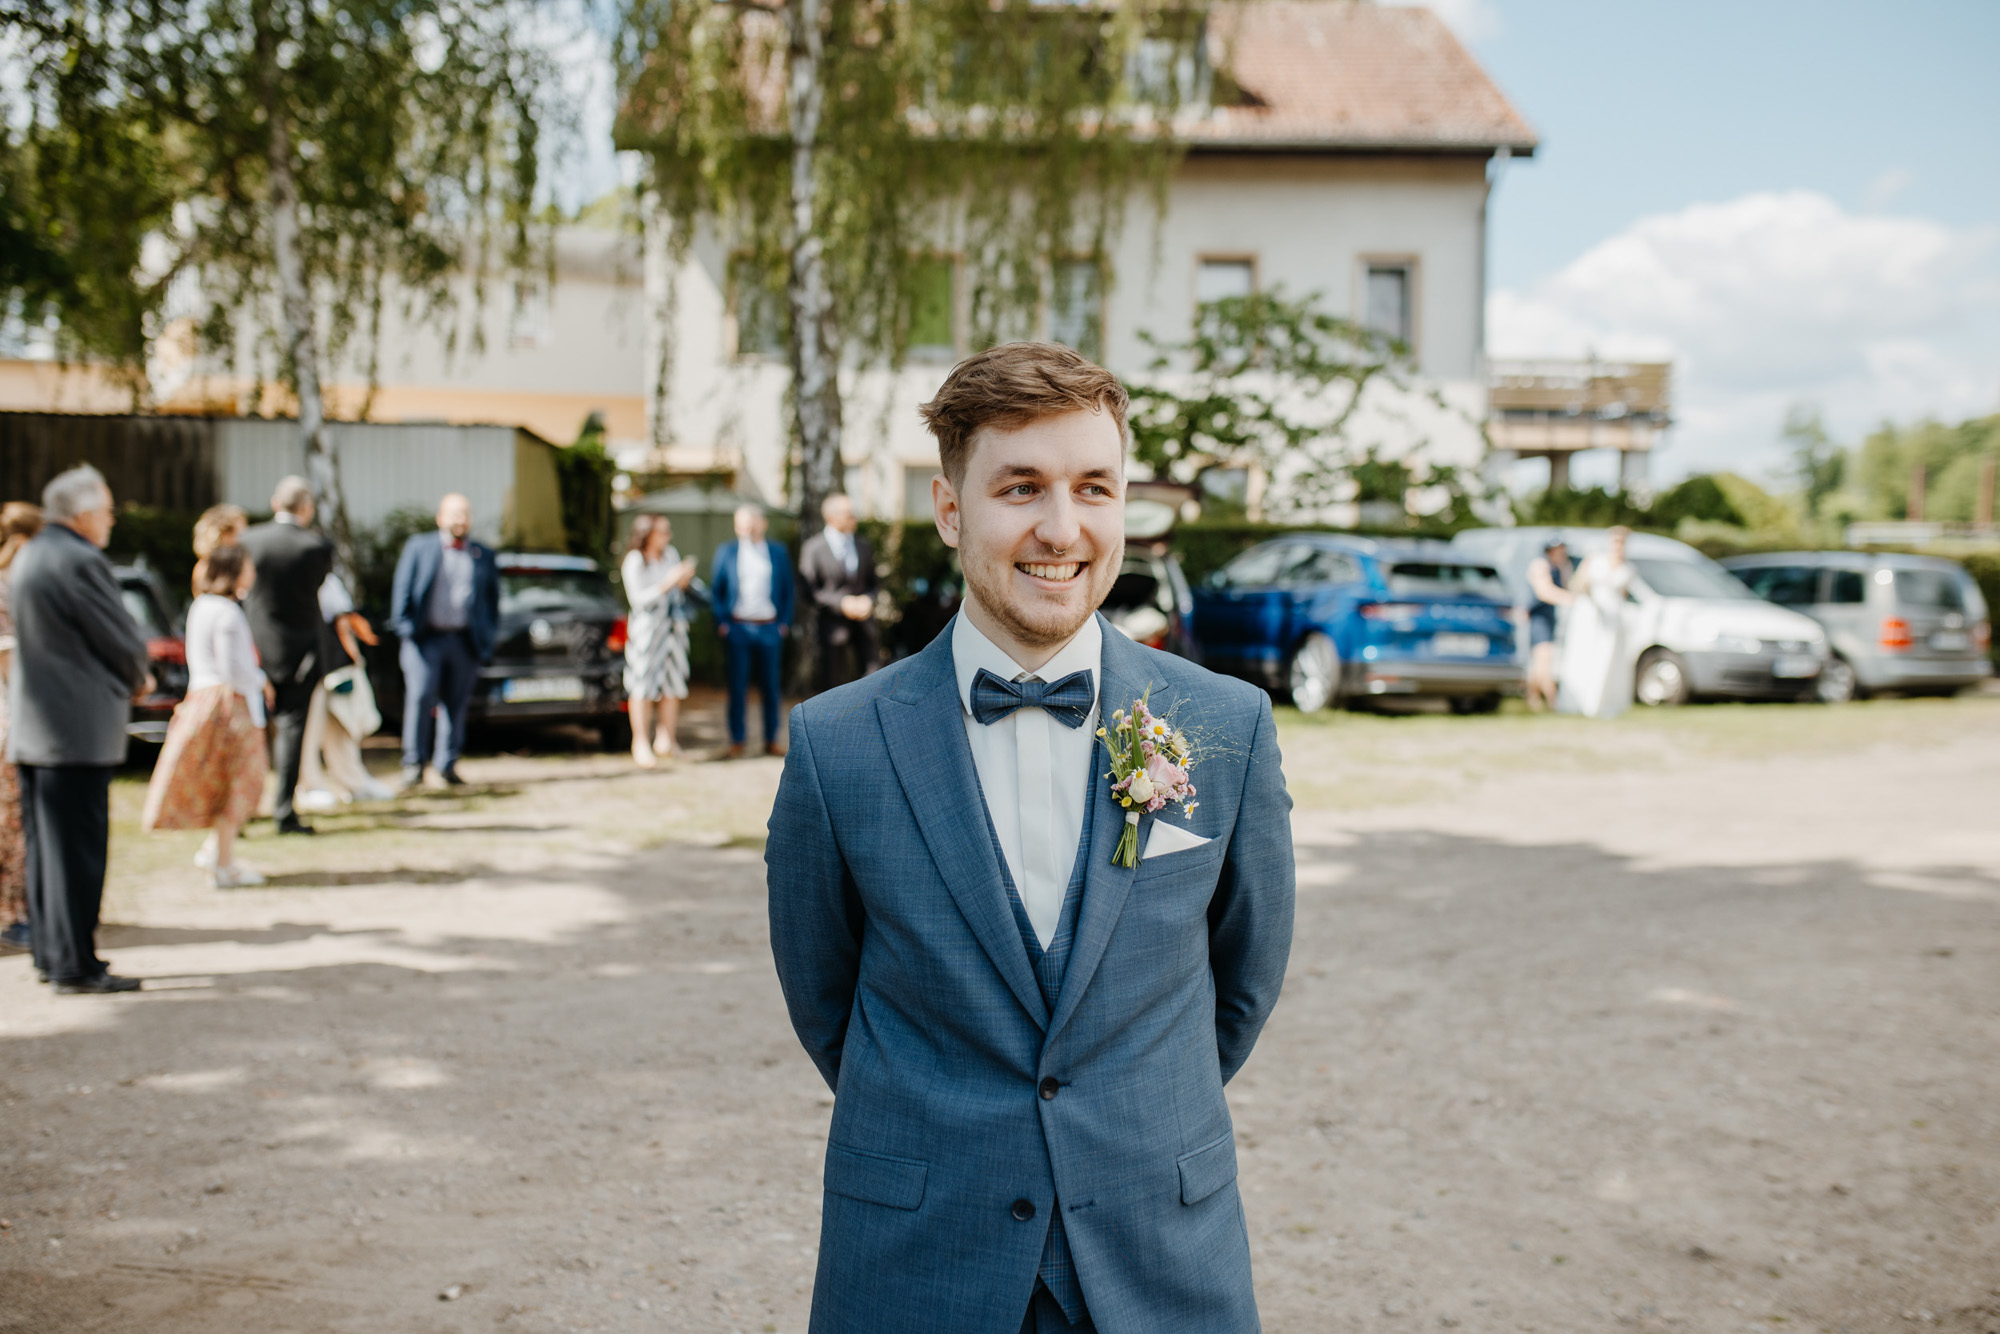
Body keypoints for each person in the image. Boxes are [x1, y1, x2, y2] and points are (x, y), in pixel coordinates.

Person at [766, 342, 1296, 1334]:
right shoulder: (837, 744)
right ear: (949, 508)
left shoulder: (1222, 726)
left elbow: (1242, 975)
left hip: (1158, 1253)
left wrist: (1123, 1107)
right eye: (1020, 488)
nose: (1063, 527)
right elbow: (825, 999)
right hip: (919, 1259)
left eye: (1093, 486)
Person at [8, 465, 152, 994]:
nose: (111, 518)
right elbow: (120, 640)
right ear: (85, 512)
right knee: (79, 852)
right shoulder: (79, 559)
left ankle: (53, 955)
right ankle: (75, 966)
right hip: (75, 730)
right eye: (108, 508)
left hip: (38, 727)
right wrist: (140, 677)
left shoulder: (32, 554)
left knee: (47, 852)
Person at [142, 545, 272, 887]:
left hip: (201, 698)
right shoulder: (228, 612)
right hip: (228, 704)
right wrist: (261, 682)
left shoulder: (201, 606)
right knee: (239, 780)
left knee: (221, 779)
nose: (252, 573)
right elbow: (235, 668)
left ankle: (218, 853)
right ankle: (223, 861)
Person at [240, 478, 336, 834]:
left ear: (274, 501)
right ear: (307, 508)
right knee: (293, 734)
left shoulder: (248, 541)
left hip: (254, 651)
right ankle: (284, 810)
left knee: (248, 733)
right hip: (301, 656)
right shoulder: (316, 547)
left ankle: (241, 812)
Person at [388, 492, 499, 788]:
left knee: (456, 703)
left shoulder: (482, 554)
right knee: (420, 698)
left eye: (465, 513)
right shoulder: (419, 547)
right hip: (425, 640)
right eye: (454, 513)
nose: (460, 519)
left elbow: (491, 602)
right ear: (440, 517)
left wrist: (486, 637)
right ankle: (414, 764)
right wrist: (406, 630)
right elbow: (403, 589)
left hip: (464, 641)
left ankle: (446, 764)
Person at [296, 572, 394, 810]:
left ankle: (354, 782)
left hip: (336, 665)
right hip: (309, 665)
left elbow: (344, 621)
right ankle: (310, 785)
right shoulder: (297, 580)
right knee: (309, 730)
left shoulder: (329, 580)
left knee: (343, 726)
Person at [710, 504, 793, 759]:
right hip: (738, 628)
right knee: (737, 686)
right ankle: (737, 739)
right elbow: (717, 590)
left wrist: (784, 623)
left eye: (751, 523)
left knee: (771, 687)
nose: (747, 528)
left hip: (769, 628)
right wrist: (723, 622)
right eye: (741, 524)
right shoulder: (727, 552)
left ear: (763, 524)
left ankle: (771, 739)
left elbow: (789, 590)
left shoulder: (777, 552)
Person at [0, 502, 45, 950]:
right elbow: (11, 667)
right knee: (13, 822)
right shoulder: (8, 589)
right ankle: (13, 913)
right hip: (10, 722)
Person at [619, 514, 696, 768]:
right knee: (642, 686)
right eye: (662, 531)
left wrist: (684, 579)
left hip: (673, 629)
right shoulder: (634, 560)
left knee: (672, 685)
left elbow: (678, 590)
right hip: (647, 632)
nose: (667, 536)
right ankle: (639, 742)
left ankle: (666, 740)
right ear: (647, 533)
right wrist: (669, 582)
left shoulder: (671, 554)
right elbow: (638, 600)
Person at [799, 493, 881, 691]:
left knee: (874, 677)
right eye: (849, 514)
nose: (854, 518)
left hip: (864, 625)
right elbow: (808, 591)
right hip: (832, 628)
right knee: (833, 684)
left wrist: (868, 601)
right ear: (831, 517)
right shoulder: (814, 548)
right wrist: (842, 603)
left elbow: (874, 582)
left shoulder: (863, 545)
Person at [1559, 525, 1638, 720]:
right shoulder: (1594, 560)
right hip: (1589, 614)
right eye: (1615, 541)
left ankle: (1602, 702)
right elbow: (1576, 584)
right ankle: (1579, 700)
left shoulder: (1628, 568)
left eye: (1622, 543)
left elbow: (1624, 594)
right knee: (1585, 654)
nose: (1618, 546)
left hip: (1613, 617)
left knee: (1608, 656)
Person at [1523, 536, 1575, 712]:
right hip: (1539, 618)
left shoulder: (1561, 567)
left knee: (1537, 663)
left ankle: (1533, 700)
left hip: (1551, 617)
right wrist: (1570, 599)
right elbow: (1544, 592)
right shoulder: (1540, 566)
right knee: (1543, 661)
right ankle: (1553, 702)